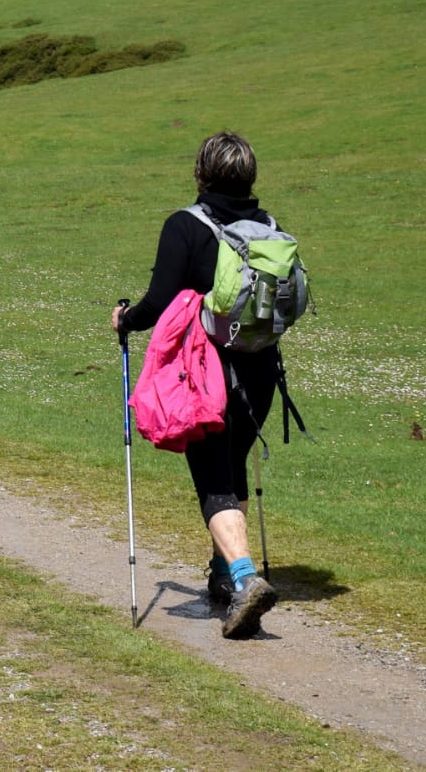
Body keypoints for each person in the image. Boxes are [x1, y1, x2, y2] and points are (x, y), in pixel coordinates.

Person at [113, 131, 289, 640]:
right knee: (232, 466)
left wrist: (126, 319)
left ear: (201, 173)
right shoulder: (269, 228)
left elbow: (161, 300)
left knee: (212, 478)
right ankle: (222, 575)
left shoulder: (186, 225)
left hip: (206, 370)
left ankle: (243, 580)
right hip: (261, 367)